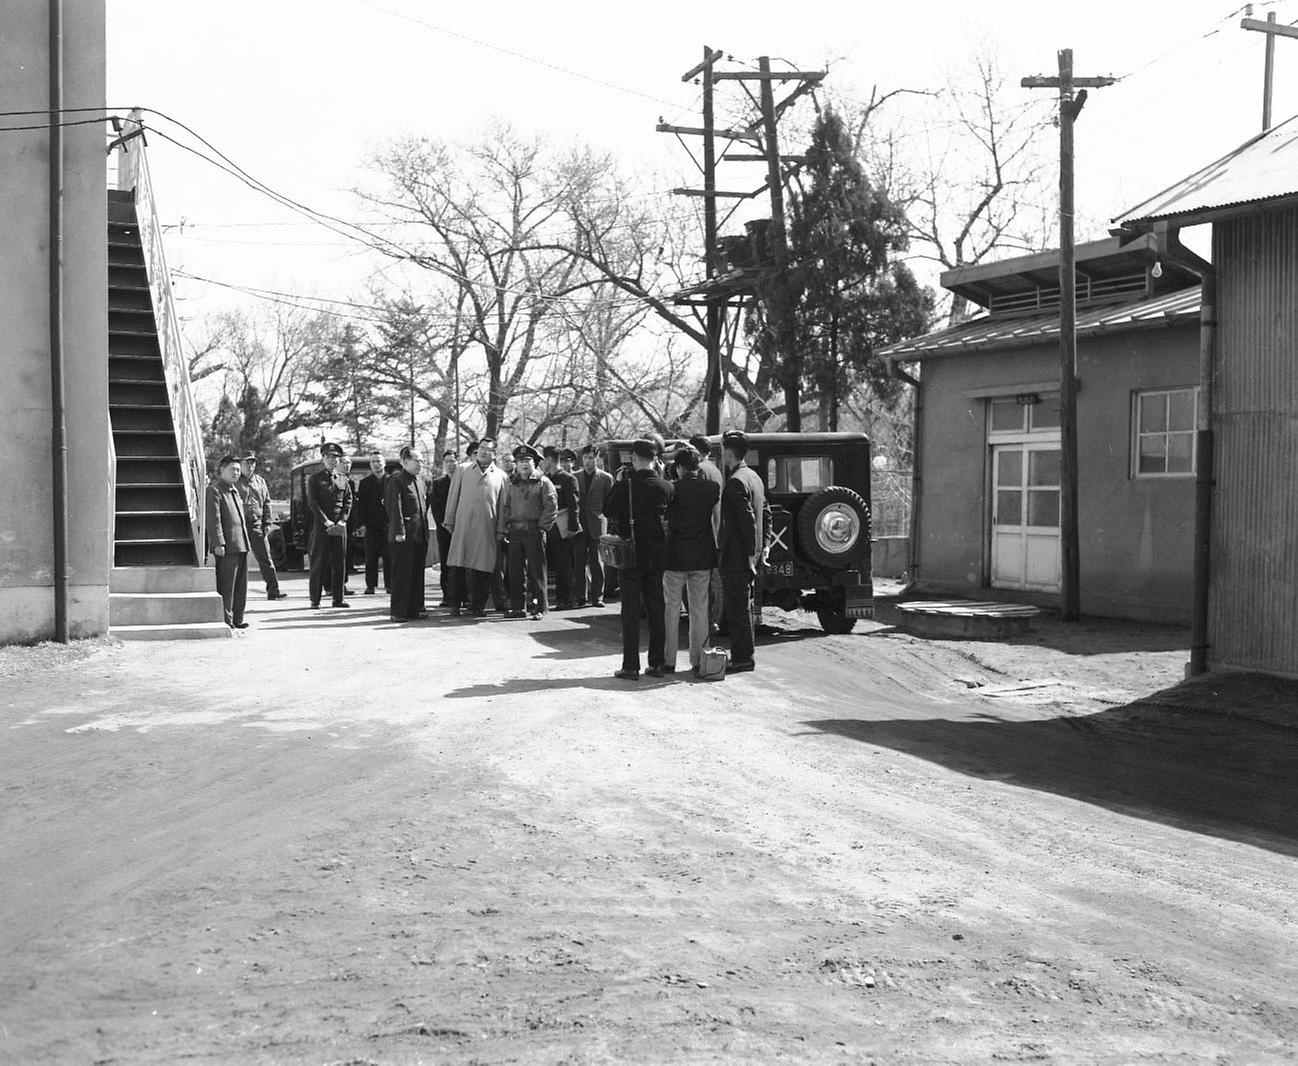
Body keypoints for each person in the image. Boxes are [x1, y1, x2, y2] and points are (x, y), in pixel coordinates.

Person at [605, 438, 673, 680]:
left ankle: (630, 665)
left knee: (630, 612)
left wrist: (619, 483)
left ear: (633, 459)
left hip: (630, 557)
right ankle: (657, 663)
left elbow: (608, 510)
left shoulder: (625, 486)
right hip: (657, 557)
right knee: (657, 610)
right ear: (655, 459)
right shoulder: (666, 487)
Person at [662, 444, 721, 676]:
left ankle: (669, 661)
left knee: (671, 609)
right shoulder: (712, 489)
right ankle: (699, 659)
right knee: (699, 610)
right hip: (701, 556)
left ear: (678, 468)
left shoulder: (671, 489)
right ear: (698, 466)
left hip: (675, 557)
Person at [719, 430, 771, 673]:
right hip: (753, 555)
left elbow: (747, 521)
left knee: (738, 608)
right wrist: (765, 546)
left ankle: (742, 657)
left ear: (728, 453)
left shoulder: (735, 482)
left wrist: (750, 555)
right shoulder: (755, 477)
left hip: (739, 558)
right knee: (745, 607)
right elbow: (767, 513)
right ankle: (744, 654)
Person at [443, 437, 509, 617]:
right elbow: (453, 495)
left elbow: (503, 506)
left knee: (483, 567)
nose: (484, 452)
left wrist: (501, 529)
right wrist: (449, 520)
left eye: (488, 449)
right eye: (481, 448)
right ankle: (455, 604)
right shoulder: (463, 470)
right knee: (458, 565)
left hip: (487, 527)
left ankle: (477, 606)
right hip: (463, 524)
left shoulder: (502, 476)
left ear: (494, 454)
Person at [499, 444, 558, 620]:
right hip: (516, 531)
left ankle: (541, 606)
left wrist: (542, 527)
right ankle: (518, 607)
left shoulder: (543, 482)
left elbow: (551, 507)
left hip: (535, 530)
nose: (524, 464)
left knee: (536, 571)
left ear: (534, 462)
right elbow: (506, 506)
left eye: (527, 460)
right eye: (520, 461)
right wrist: (507, 527)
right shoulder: (511, 483)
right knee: (515, 572)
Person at [386, 445, 432, 623]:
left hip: (419, 533)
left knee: (417, 573)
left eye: (421, 460)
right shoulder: (396, 480)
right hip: (404, 535)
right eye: (416, 460)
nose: (420, 464)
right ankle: (399, 611)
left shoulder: (421, 481)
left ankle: (415, 608)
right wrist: (399, 531)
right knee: (402, 573)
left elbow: (423, 507)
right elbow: (394, 507)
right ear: (405, 462)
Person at [206, 455, 250, 629]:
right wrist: (218, 543)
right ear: (222, 470)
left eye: (238, 470)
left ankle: (238, 618)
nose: (236, 473)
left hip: (241, 544)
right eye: (232, 469)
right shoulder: (215, 490)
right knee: (227, 585)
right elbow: (214, 519)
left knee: (240, 585)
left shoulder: (234, 490)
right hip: (228, 546)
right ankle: (226, 619)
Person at [307, 442, 352, 610]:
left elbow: (348, 501)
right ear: (323, 458)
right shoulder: (315, 479)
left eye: (336, 458)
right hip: (322, 526)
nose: (333, 461)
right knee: (319, 563)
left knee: (339, 563)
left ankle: (338, 598)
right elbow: (313, 503)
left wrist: (342, 521)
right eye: (329, 457)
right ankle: (315, 599)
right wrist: (327, 521)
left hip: (339, 527)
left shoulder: (342, 479)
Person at [235, 452, 285, 601]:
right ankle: (236, 593)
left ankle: (273, 590)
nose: (250, 466)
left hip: (257, 524)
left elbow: (267, 502)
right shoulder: (235, 480)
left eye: (252, 463)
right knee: (238, 559)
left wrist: (267, 523)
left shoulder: (260, 481)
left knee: (265, 558)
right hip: (239, 524)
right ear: (240, 464)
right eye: (247, 463)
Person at [690, 434, 725, 633]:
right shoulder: (716, 470)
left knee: (702, 584)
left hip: (702, 531)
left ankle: (706, 622)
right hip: (716, 528)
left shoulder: (700, 470)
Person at [573, 444, 613, 609]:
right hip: (579, 524)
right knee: (579, 561)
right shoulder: (574, 477)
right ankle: (580, 595)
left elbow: (610, 502)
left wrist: (606, 519)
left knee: (598, 562)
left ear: (597, 459)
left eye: (591, 458)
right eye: (585, 458)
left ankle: (597, 596)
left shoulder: (605, 478)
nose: (588, 461)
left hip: (597, 523)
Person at [543, 446, 583, 610]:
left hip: (562, 527)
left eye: (544, 459)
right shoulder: (544, 478)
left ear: (550, 459)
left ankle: (564, 599)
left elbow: (574, 506)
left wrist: (572, 528)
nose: (543, 463)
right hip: (547, 527)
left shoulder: (568, 479)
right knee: (547, 564)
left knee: (563, 565)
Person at [357, 451, 390, 595]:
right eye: (373, 462)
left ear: (384, 463)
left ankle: (390, 584)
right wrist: (361, 524)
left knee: (390, 557)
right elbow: (361, 506)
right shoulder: (364, 483)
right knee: (371, 557)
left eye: (378, 461)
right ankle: (370, 585)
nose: (376, 464)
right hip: (371, 525)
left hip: (389, 524)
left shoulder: (392, 480)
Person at [430, 450, 457, 606]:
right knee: (446, 562)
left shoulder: (463, 482)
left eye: (453, 461)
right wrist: (444, 524)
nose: (450, 464)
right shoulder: (438, 483)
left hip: (461, 529)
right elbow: (435, 508)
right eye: (447, 461)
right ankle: (447, 595)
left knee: (460, 564)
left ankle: (461, 595)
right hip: (444, 529)